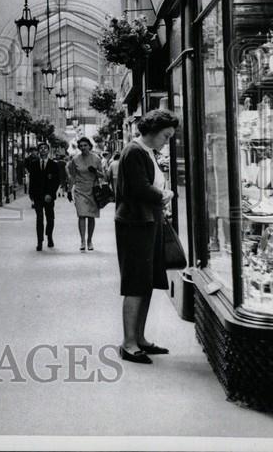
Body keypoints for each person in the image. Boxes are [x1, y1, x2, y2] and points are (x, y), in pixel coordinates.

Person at [115, 109, 179, 364]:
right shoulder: (134, 152)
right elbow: (139, 187)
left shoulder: (146, 152)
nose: (167, 141)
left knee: (146, 282)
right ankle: (128, 343)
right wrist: (164, 195)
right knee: (135, 283)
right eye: (165, 135)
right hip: (135, 224)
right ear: (152, 132)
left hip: (148, 222)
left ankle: (139, 338)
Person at [66, 136, 104, 251]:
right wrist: (69, 190)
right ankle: (82, 241)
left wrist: (96, 171)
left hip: (93, 189)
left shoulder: (96, 159)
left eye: (85, 145)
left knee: (91, 216)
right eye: (81, 146)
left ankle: (90, 240)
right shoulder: (75, 159)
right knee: (81, 215)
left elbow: (103, 176)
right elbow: (72, 176)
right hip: (80, 190)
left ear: (90, 146)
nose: (83, 148)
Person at [25, 144, 66, 250]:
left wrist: (50, 194)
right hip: (37, 195)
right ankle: (40, 241)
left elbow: (56, 181)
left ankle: (49, 236)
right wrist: (31, 194)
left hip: (49, 196)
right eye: (41, 148)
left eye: (45, 148)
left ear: (48, 151)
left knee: (50, 218)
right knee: (39, 218)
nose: (43, 150)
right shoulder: (34, 164)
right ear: (39, 151)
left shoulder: (53, 164)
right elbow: (32, 180)